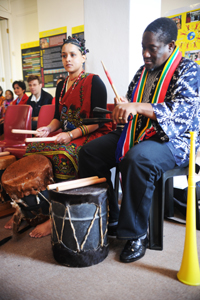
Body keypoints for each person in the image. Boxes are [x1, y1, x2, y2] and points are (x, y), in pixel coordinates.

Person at [78, 17, 200, 263]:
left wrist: (138, 107)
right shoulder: (142, 72)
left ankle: (136, 234)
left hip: (174, 139)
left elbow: (182, 112)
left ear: (170, 46)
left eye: (151, 48)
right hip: (137, 131)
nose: (145, 54)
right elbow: (132, 103)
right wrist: (124, 109)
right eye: (143, 47)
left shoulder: (190, 69)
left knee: (138, 159)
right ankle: (109, 214)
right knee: (89, 153)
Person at [23, 36, 112, 238]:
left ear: (83, 57)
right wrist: (47, 129)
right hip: (67, 133)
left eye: (73, 55)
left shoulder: (94, 81)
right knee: (33, 149)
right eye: (64, 55)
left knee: (63, 155)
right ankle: (37, 207)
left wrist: (70, 135)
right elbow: (58, 119)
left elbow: (98, 123)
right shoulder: (61, 85)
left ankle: (58, 213)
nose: (68, 59)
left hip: (92, 133)